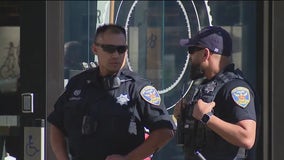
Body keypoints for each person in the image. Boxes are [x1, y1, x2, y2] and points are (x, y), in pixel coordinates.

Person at [47, 24, 175, 160]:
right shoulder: (78, 84)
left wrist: (129, 159)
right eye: (109, 49)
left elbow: (165, 131)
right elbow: (56, 125)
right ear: (95, 49)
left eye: (121, 49)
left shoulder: (136, 87)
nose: (115, 55)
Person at [174, 26, 258, 160]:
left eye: (192, 50)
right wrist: (182, 115)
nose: (190, 56)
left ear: (206, 54)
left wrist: (207, 118)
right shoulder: (203, 86)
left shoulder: (235, 88)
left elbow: (247, 138)